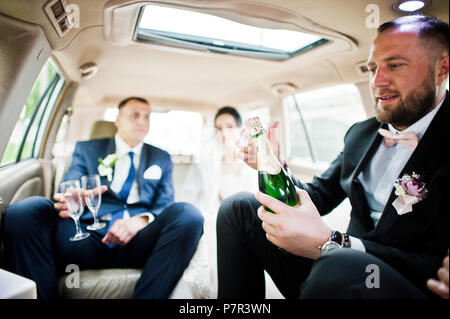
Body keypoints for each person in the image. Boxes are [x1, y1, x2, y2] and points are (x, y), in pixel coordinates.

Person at [217, 15, 449, 299]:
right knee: (239, 208)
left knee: (340, 265)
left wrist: (332, 242)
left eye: (395, 65)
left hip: (399, 283)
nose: (377, 81)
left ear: (442, 69)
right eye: (372, 68)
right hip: (333, 265)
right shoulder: (360, 135)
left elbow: (436, 264)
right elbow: (317, 196)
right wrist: (272, 164)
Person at [3, 97, 204, 299]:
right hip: (88, 235)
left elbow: (165, 205)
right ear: (117, 120)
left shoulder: (161, 157)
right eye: (135, 115)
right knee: (25, 211)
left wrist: (141, 220)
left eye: (147, 117)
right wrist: (74, 199)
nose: (142, 121)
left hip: (139, 239)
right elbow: (71, 187)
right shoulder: (88, 149)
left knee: (190, 215)